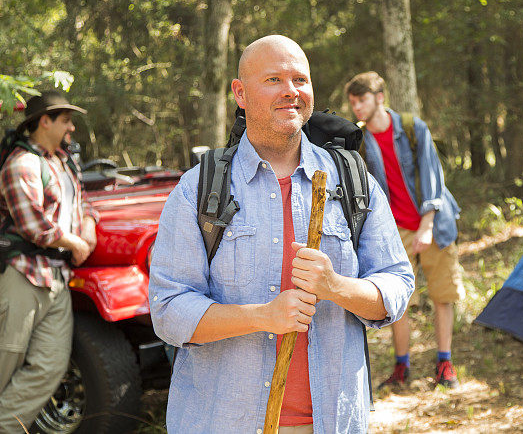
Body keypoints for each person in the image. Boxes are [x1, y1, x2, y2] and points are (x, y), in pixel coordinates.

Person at [149, 35, 414, 434]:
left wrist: (336, 286)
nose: (291, 91)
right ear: (240, 93)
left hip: (334, 422)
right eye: (273, 79)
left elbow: (397, 285)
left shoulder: (351, 180)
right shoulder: (198, 190)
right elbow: (169, 310)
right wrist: (262, 316)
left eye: (300, 80)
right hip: (224, 423)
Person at [345, 72, 463, 389]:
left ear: (380, 97)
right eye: (353, 102)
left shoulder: (411, 129)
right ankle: (402, 367)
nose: (357, 107)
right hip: (394, 232)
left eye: (362, 100)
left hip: (433, 223)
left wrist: (426, 225)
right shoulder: (360, 143)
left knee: (442, 296)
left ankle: (444, 363)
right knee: (398, 301)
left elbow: (432, 176)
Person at [0, 91, 98, 432]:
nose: (71, 127)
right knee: (5, 362)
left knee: (50, 366)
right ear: (45, 121)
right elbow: (32, 225)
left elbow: (83, 202)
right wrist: (73, 242)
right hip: (21, 276)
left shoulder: (63, 161)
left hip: (56, 280)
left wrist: (88, 227)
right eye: (66, 120)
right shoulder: (21, 163)